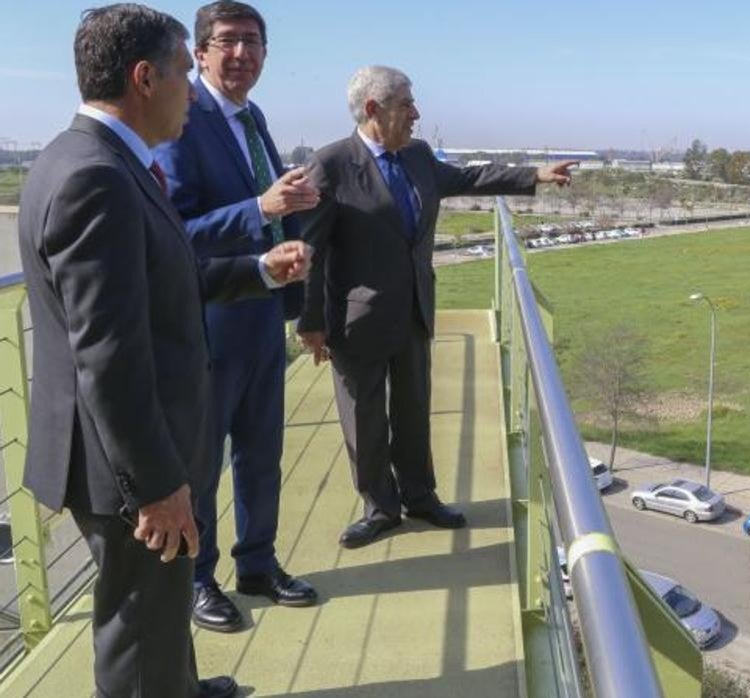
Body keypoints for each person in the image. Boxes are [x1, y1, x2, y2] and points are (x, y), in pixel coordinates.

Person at [17, 5, 309, 696]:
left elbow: (154, 283)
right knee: (137, 620)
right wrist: (153, 486)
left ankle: (179, 685)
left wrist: (259, 272)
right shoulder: (99, 180)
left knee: (160, 602)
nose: (192, 85)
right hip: (125, 461)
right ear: (145, 78)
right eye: (185, 68)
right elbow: (108, 354)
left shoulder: (92, 157)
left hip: (130, 444)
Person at [296, 66, 574, 548]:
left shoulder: (419, 155)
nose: (416, 114)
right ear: (373, 109)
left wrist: (534, 175)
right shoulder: (332, 164)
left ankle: (420, 497)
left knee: (412, 409)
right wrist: (311, 323)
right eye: (406, 105)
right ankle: (380, 508)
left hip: (414, 310)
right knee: (364, 418)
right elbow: (311, 251)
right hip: (356, 320)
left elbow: (469, 177)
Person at [154, 0, 318, 634]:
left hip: (262, 316)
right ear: (199, 53)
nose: (242, 54)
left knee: (260, 453)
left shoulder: (254, 118)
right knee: (201, 463)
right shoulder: (181, 120)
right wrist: (260, 205)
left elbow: (271, 208)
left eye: (253, 42)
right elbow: (175, 235)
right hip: (208, 321)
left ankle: (257, 563)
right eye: (228, 42)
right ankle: (198, 580)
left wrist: (291, 219)